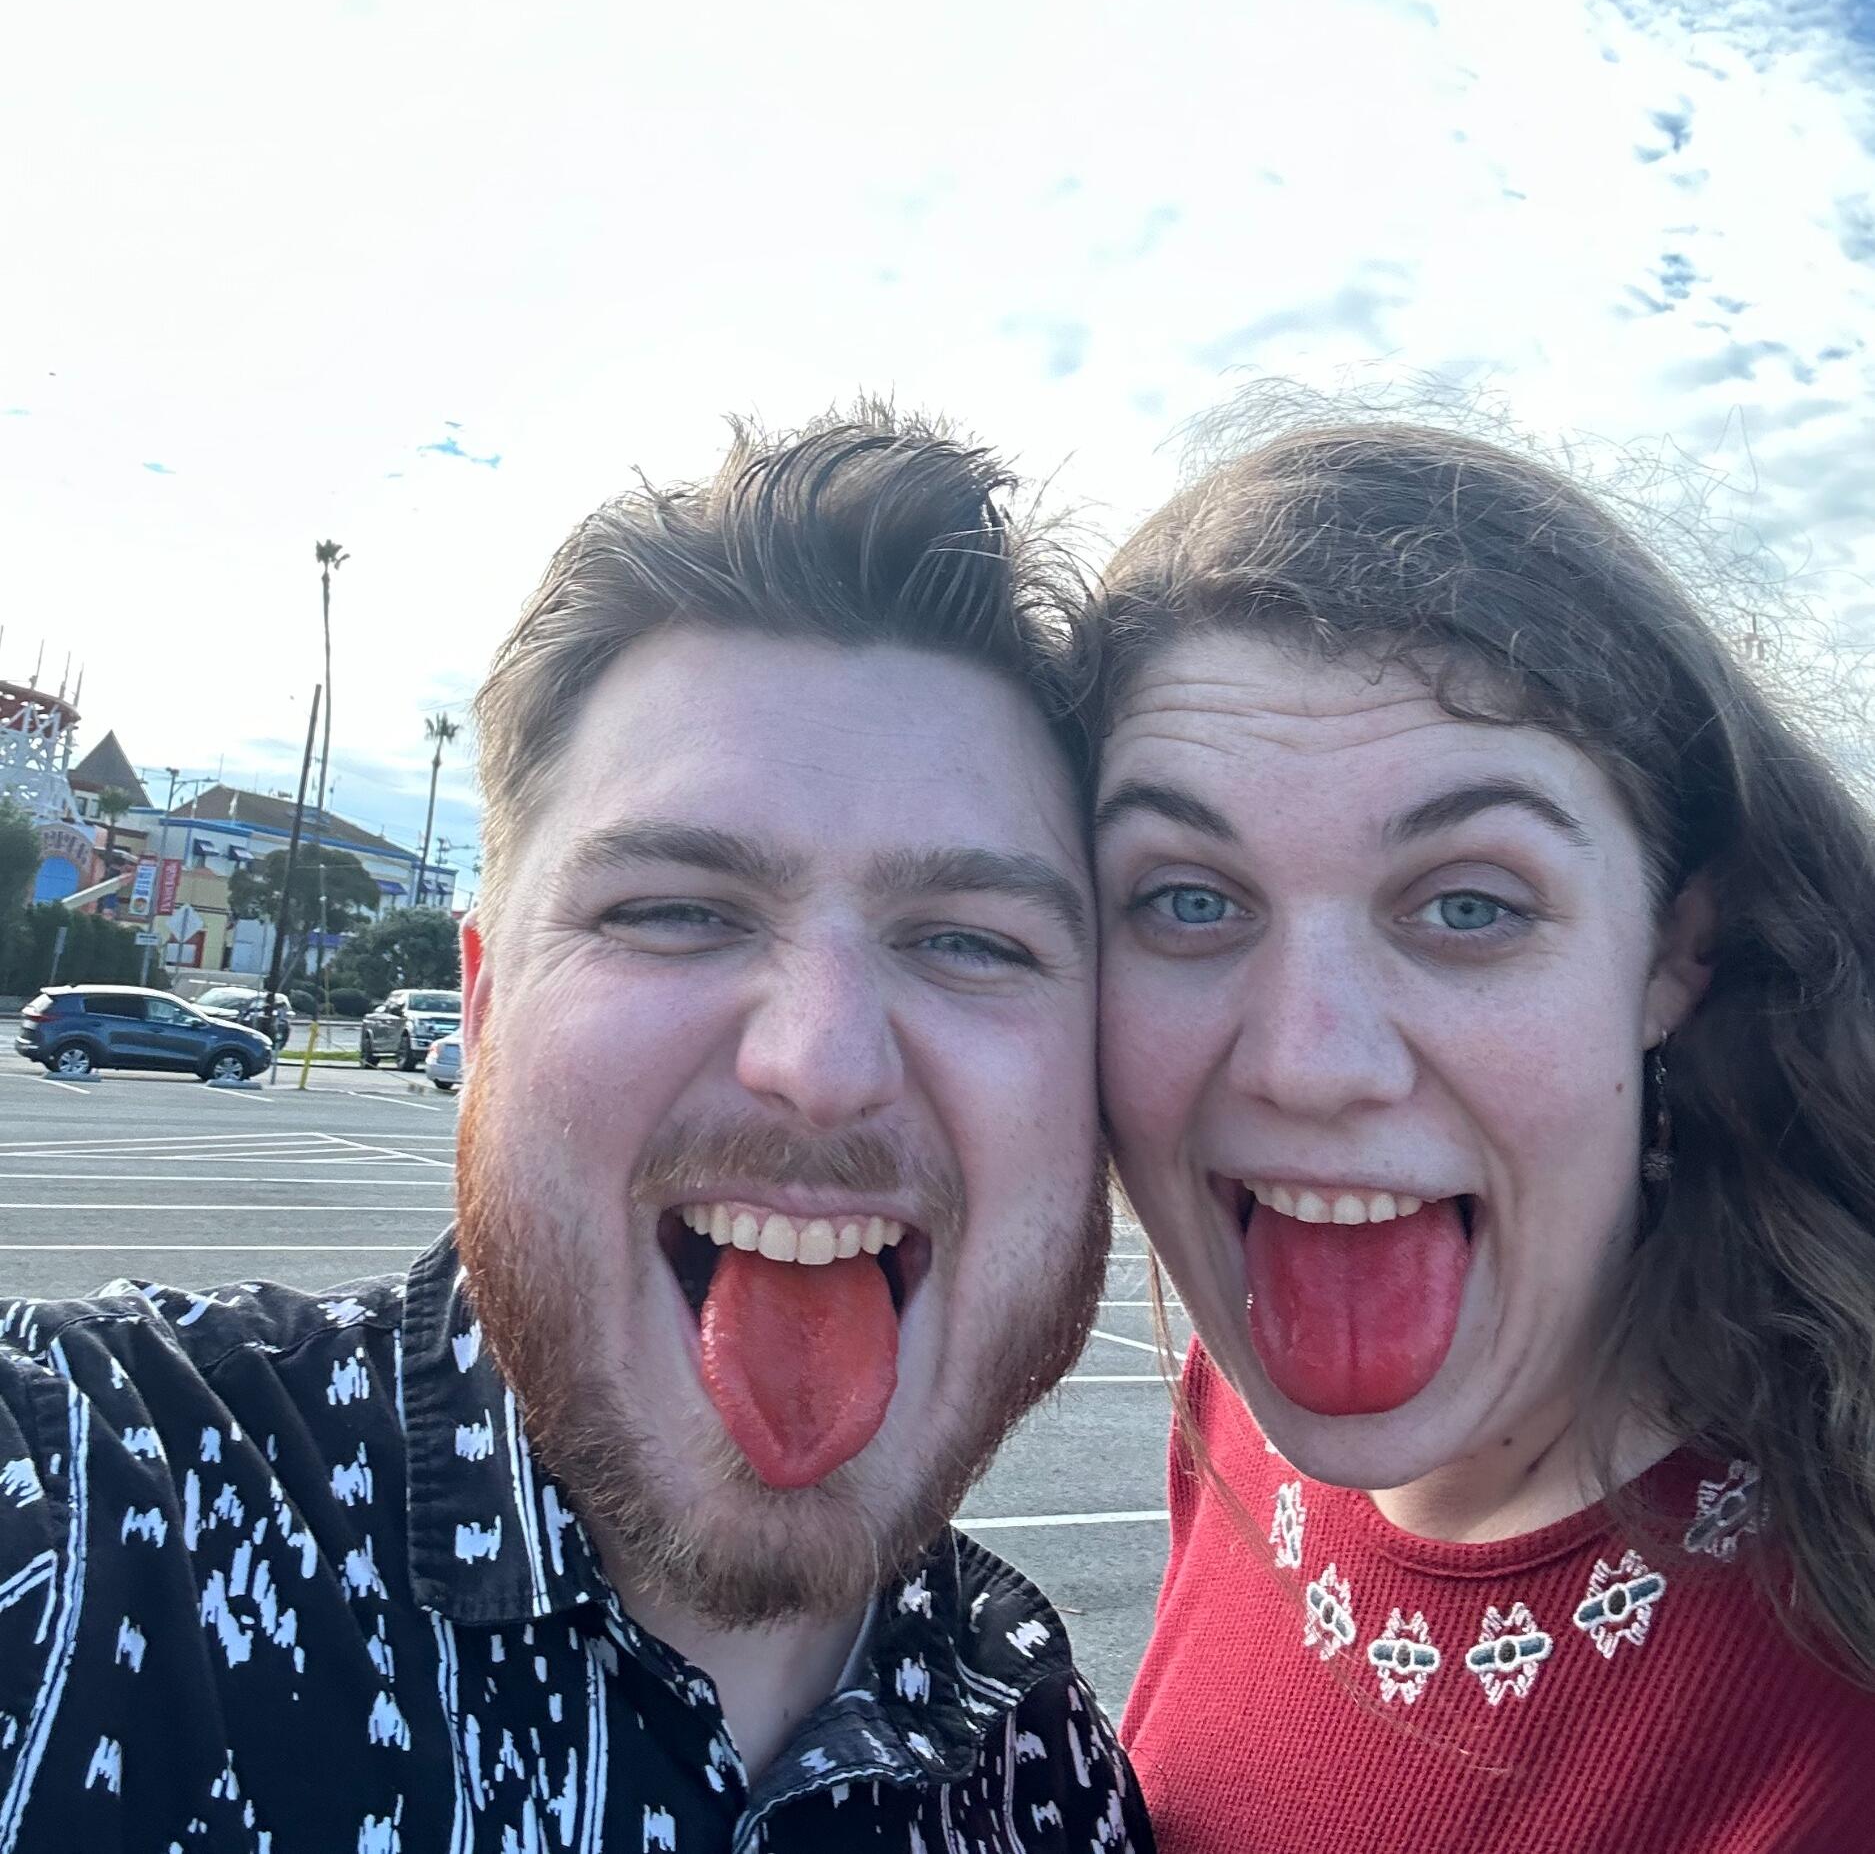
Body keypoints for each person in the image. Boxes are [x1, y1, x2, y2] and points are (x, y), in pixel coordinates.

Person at [0, 408, 1153, 1852]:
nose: (823, 1063)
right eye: (673, 911)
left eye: (974, 942)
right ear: (480, 1010)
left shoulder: (1049, 1774)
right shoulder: (100, 1520)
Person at [1092, 400, 1875, 1852]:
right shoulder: (1229, 1420)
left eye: (1471, 905)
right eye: (1187, 899)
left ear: (1671, 957)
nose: (1310, 1063)